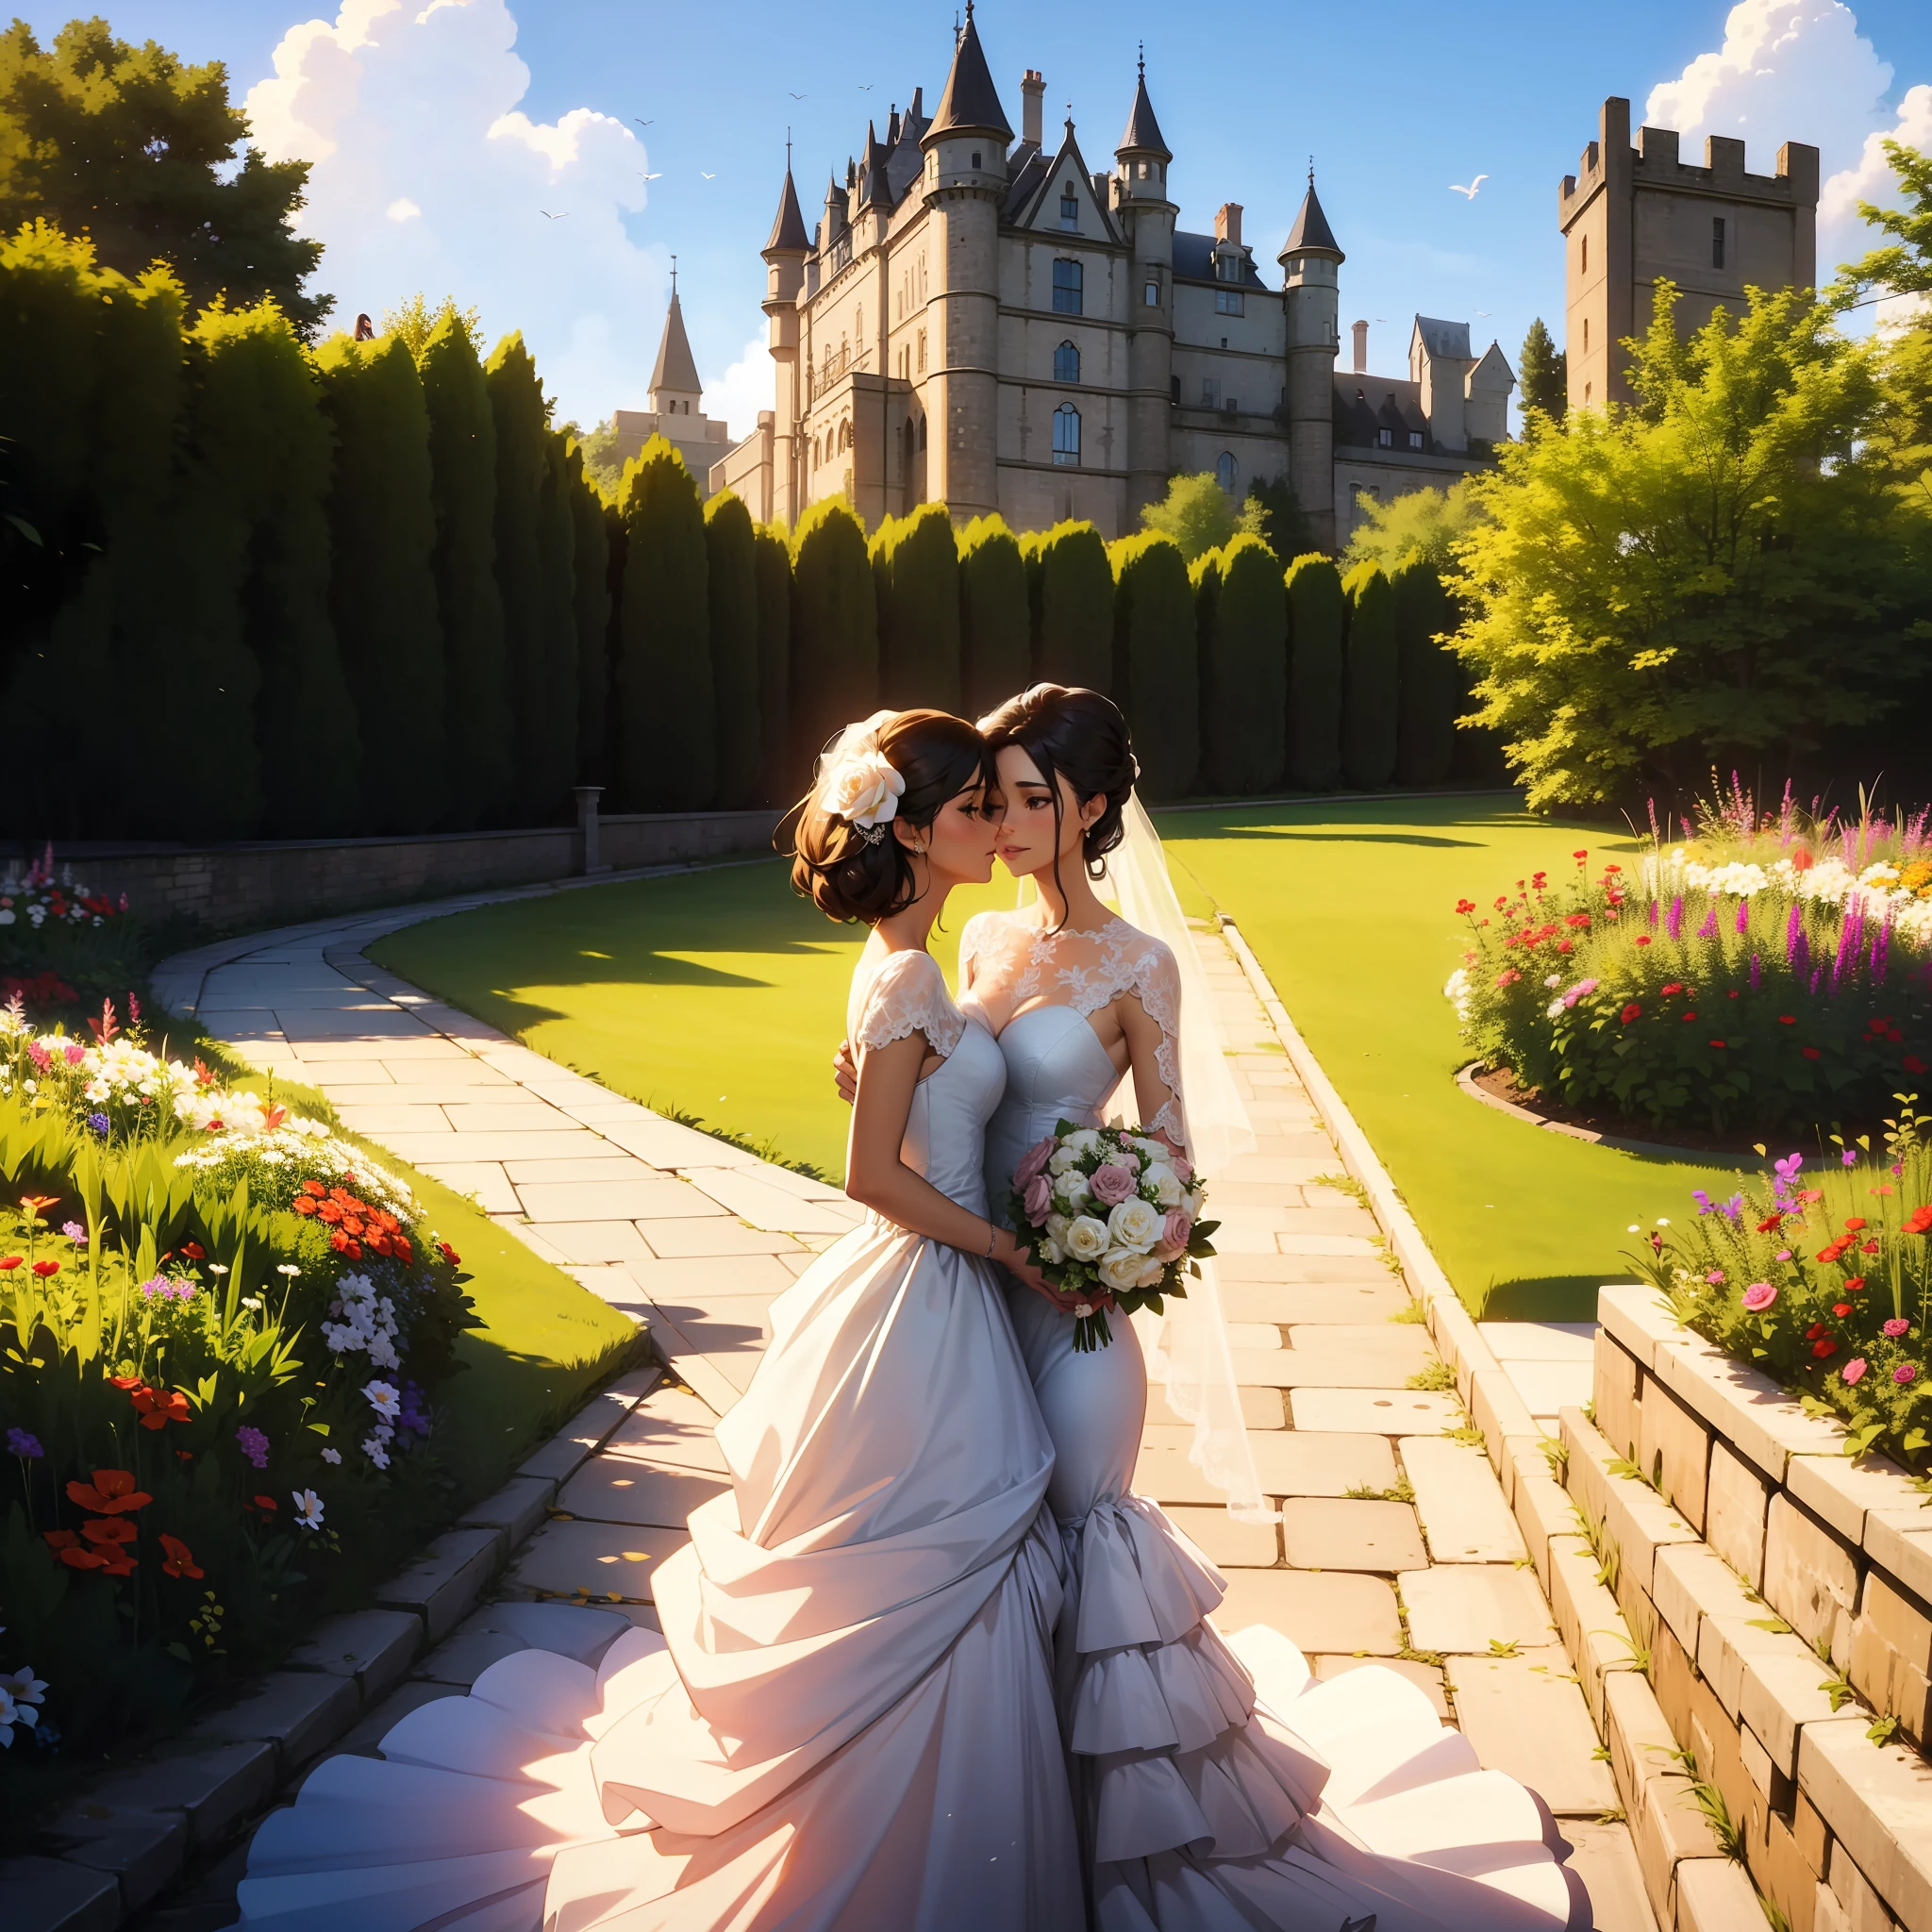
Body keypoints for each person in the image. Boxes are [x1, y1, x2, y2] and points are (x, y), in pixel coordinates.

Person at [234, 708, 1085, 1930]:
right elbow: (870, 1178)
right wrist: (1009, 1245)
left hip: (932, 1297)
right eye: (973, 810)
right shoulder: (904, 973)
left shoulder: (914, 970)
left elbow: (914, 1120)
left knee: (951, 1573)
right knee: (941, 1569)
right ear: (910, 827)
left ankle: (950, 1851)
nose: (997, 825)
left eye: (1000, 809)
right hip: (922, 1297)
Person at [838, 685, 1583, 1932]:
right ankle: (1009, 1841)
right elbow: (935, 1085)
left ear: (1089, 807)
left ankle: (1147, 1864)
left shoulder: (1141, 964)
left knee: (1090, 1538)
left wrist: (1117, 1227)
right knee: (986, 1566)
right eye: (997, 798)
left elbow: (1171, 1146)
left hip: (1071, 1303)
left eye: (1033, 797)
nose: (1010, 821)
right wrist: (875, 1075)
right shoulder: (974, 948)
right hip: (969, 1297)